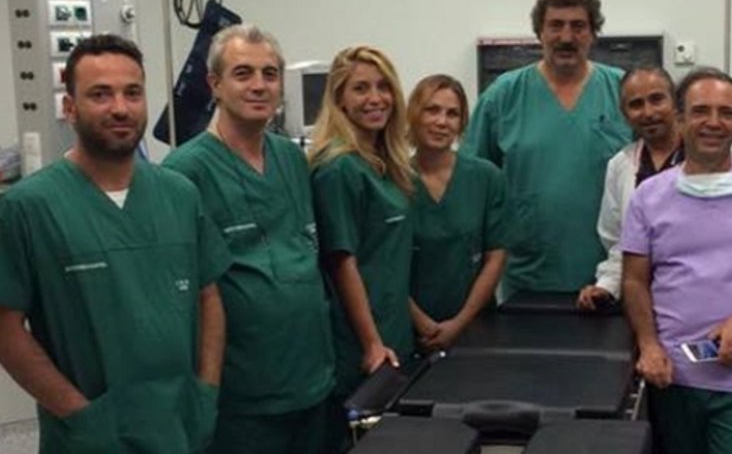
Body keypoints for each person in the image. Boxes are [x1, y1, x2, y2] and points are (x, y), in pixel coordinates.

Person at [0, 34, 230, 453]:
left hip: (180, 427)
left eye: (132, 93)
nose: (120, 108)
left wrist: (206, 391)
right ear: (70, 108)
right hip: (89, 436)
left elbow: (208, 296)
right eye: (100, 94)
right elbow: (6, 328)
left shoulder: (180, 194)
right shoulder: (28, 207)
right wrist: (80, 415)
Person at [163, 25, 333, 454]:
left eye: (269, 74)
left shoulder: (291, 157)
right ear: (214, 84)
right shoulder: (184, 173)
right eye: (243, 73)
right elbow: (180, 294)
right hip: (243, 392)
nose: (259, 85)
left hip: (311, 378)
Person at [621, 67, 732, 453]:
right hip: (672, 375)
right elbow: (634, 279)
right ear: (679, 118)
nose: (714, 122)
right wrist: (649, 345)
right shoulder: (648, 197)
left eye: (726, 113)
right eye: (701, 111)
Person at [462, 0, 630, 302]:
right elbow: (472, 186)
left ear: (593, 33)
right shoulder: (503, 96)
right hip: (524, 279)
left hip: (607, 281)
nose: (566, 37)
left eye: (578, 26)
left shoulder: (622, 93)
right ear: (539, 31)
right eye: (555, 25)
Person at [308, 45, 414, 450]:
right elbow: (342, 262)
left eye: (383, 87)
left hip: (393, 332)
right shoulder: (339, 169)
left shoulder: (385, 165)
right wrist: (371, 343)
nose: (375, 98)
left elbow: (387, 260)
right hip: (360, 346)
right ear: (339, 100)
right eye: (360, 88)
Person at [406, 74, 508, 350]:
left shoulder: (486, 178)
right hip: (410, 329)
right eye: (432, 110)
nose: (442, 121)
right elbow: (384, 266)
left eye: (452, 114)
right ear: (414, 114)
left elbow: (496, 256)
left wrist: (460, 323)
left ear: (462, 123)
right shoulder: (393, 181)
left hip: (475, 326)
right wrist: (420, 321)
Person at [578, 65, 681, 310]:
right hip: (641, 301)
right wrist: (606, 287)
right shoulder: (621, 165)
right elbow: (619, 245)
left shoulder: (714, 155)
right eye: (636, 104)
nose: (648, 112)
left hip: (703, 297)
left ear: (675, 102)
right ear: (624, 114)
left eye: (657, 99)